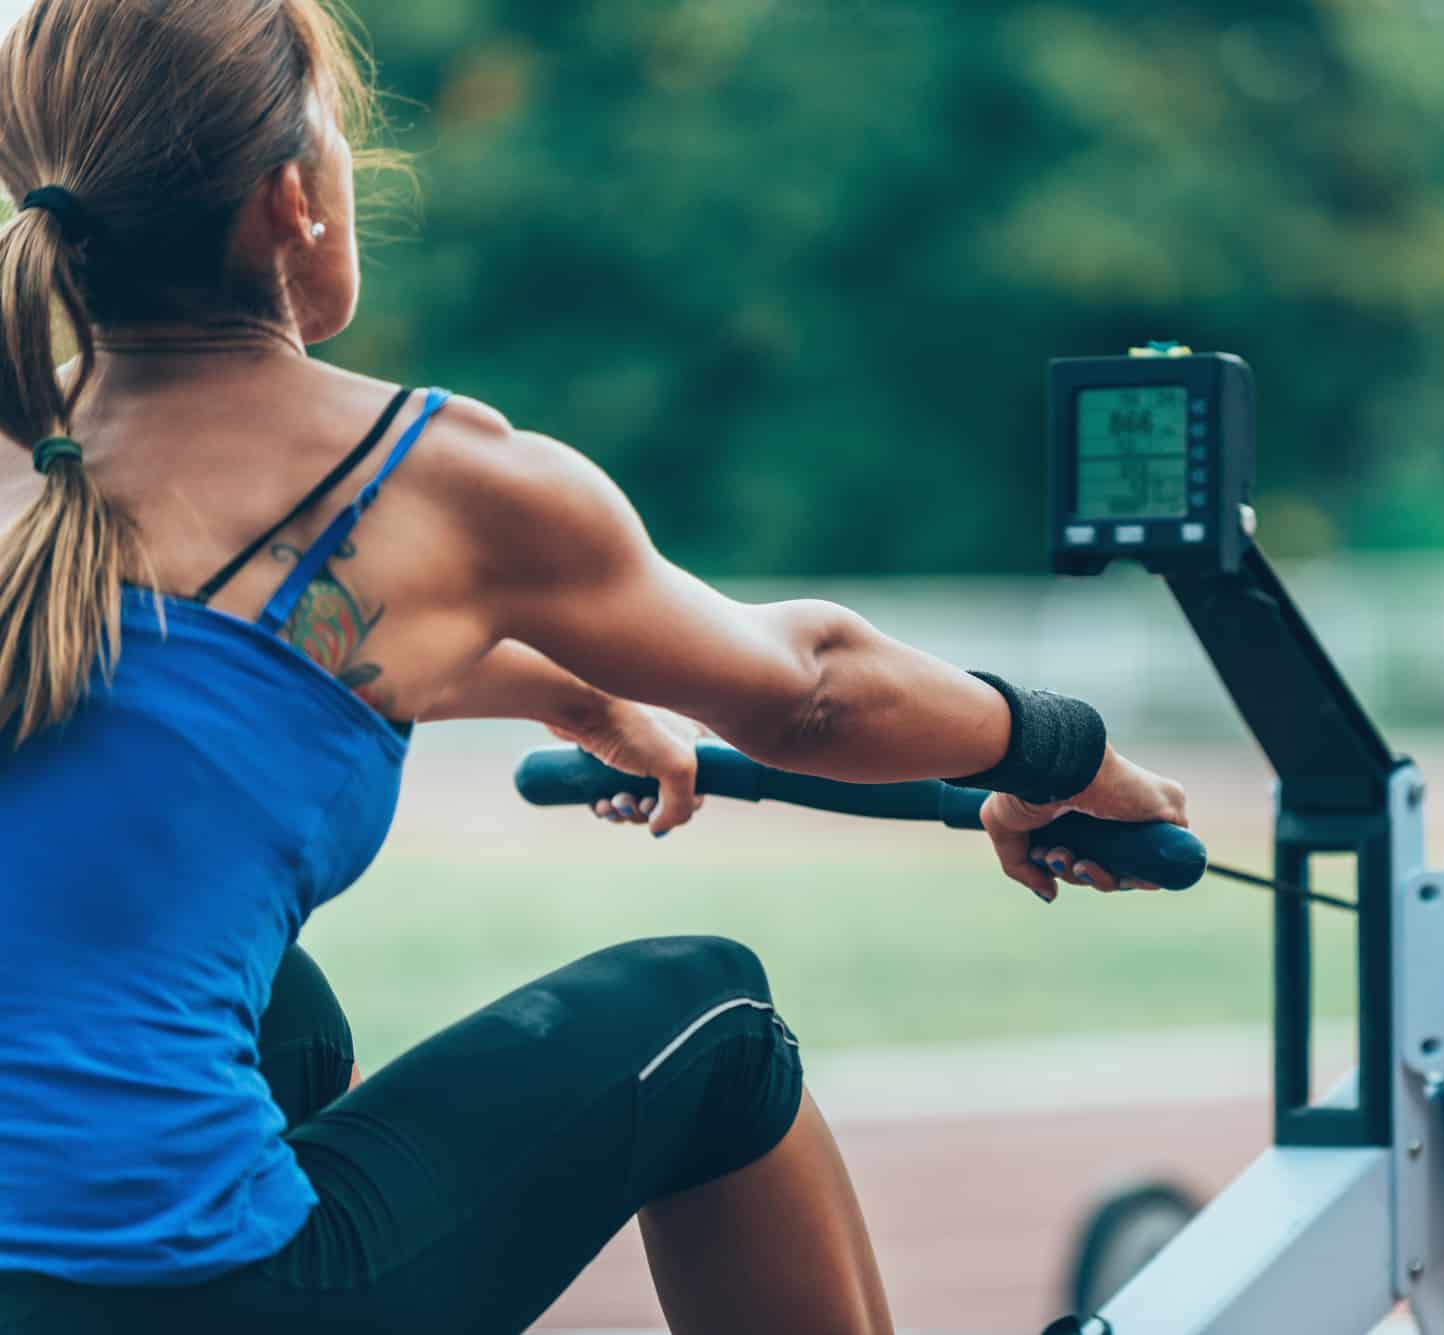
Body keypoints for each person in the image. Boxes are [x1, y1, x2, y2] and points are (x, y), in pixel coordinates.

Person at [0, 3, 1188, 1333]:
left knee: (291, 1022)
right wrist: (1066, 759)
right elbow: (810, 688)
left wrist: (574, 693)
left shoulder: (31, 485)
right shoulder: (412, 480)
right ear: (294, 199)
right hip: (193, 1296)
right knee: (717, 1025)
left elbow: (194, 690)